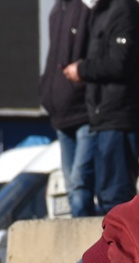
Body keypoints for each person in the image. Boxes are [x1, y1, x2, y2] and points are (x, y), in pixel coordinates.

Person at [64, 0, 139, 219]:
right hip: (103, 118)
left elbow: (120, 62)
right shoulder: (102, 12)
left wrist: (82, 69)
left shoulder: (125, 11)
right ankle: (107, 250)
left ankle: (118, 252)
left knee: (115, 198)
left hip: (121, 118)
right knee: (104, 196)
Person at [39, 0, 97, 218]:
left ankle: (88, 245)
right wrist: (47, 89)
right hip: (62, 113)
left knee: (80, 184)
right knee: (72, 184)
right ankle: (84, 242)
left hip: (83, 112)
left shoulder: (86, 8)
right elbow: (53, 56)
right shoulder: (57, 10)